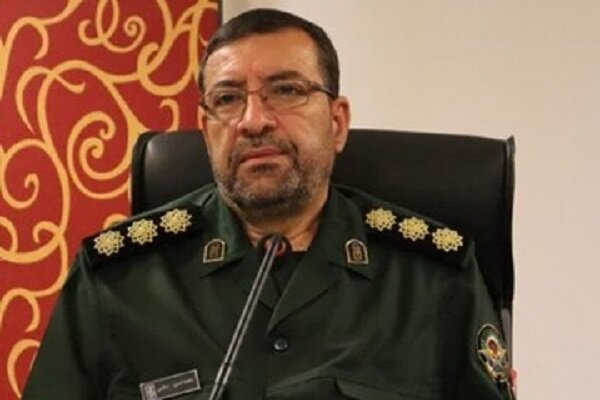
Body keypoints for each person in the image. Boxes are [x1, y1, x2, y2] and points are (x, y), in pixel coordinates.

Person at [23, 8, 514, 400]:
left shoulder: (434, 281)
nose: (253, 120)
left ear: (337, 123)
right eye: (227, 99)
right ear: (206, 132)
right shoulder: (117, 280)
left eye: (286, 91)